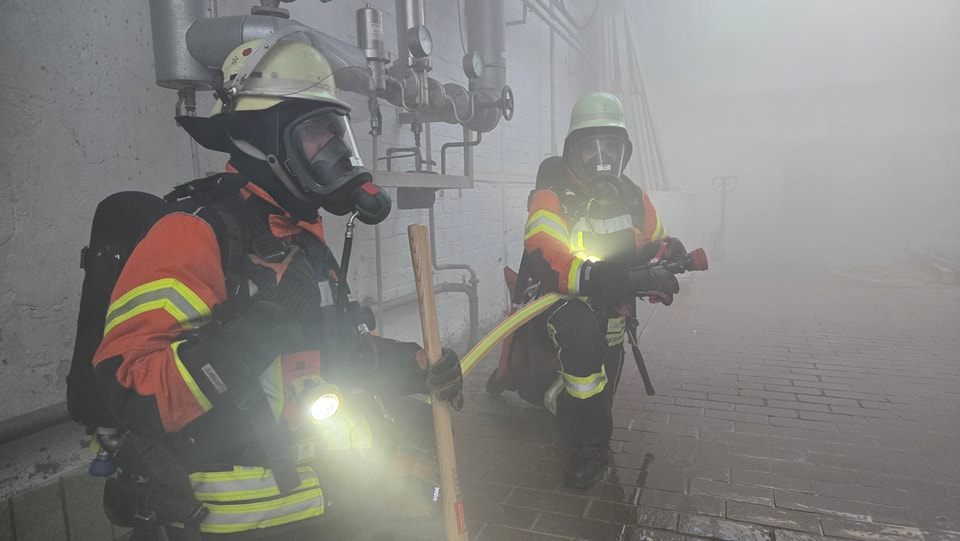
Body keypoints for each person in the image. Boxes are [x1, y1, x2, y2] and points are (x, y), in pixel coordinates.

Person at [92, 30, 463, 539]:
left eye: (338, 132)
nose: (334, 149)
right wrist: (255, 334)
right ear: (267, 139)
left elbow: (329, 350)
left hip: (326, 503)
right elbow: (129, 392)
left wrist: (413, 364)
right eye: (317, 132)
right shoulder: (193, 233)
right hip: (236, 522)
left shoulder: (299, 232)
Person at [489, 92, 686, 489]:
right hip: (558, 300)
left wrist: (667, 260)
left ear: (624, 151)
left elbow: (653, 245)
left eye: (610, 146)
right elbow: (544, 250)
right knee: (581, 348)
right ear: (571, 153)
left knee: (594, 396)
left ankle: (535, 389)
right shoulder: (552, 194)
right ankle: (589, 449)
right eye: (589, 147)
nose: (601, 158)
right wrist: (593, 278)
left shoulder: (634, 197)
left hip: (612, 308)